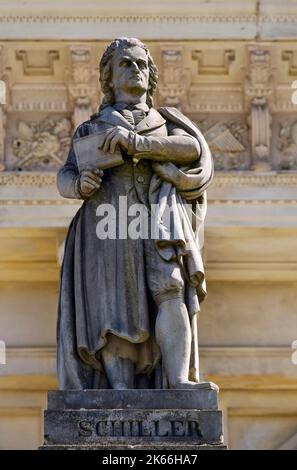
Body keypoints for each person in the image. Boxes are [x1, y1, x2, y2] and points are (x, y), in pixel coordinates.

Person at [57, 37, 215, 390]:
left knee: (172, 287)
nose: (136, 70)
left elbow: (192, 148)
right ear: (109, 77)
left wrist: (138, 144)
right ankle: (120, 391)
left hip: (158, 217)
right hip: (108, 221)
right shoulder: (92, 129)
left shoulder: (164, 121)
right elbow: (65, 177)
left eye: (142, 65)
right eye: (126, 64)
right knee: (114, 305)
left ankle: (177, 380)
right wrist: (81, 184)